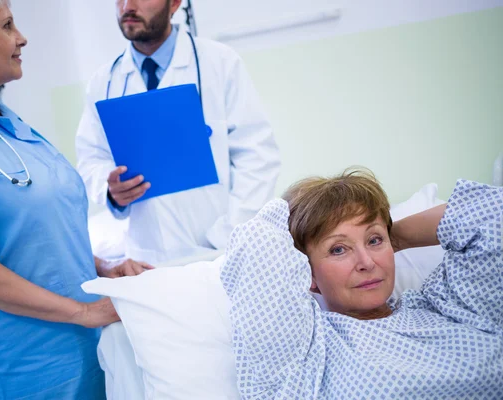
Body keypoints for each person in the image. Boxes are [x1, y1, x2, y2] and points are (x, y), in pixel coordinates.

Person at [0, 1, 150, 398]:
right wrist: (85, 312)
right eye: (8, 26)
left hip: (77, 342)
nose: (22, 38)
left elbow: (40, 235)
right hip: (20, 361)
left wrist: (104, 268)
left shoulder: (12, 126)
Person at [221, 169, 503, 399]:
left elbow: (494, 212)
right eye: (338, 249)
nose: (367, 261)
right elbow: (256, 242)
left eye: (374, 241)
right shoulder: (303, 360)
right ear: (307, 275)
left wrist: (396, 237)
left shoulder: (449, 307)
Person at [76, 0, 281, 263]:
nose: (128, 6)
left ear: (174, 3)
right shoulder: (103, 81)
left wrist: (231, 232)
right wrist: (110, 188)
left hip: (221, 251)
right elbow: (91, 159)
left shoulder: (220, 62)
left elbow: (258, 157)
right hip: (146, 259)